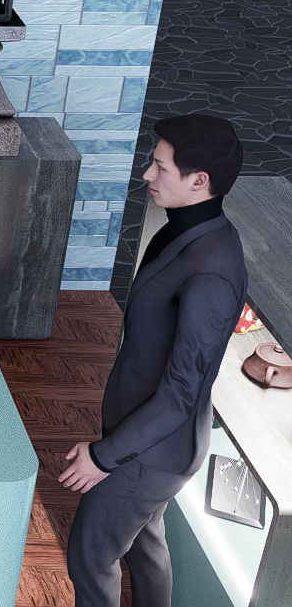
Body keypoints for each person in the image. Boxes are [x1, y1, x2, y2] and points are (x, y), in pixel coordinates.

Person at [61, 113, 247, 607]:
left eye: (161, 167)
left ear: (199, 181)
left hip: (152, 451)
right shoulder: (185, 229)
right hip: (145, 435)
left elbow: (180, 395)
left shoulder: (212, 274)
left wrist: (104, 456)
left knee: (89, 558)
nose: (147, 174)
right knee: (145, 547)